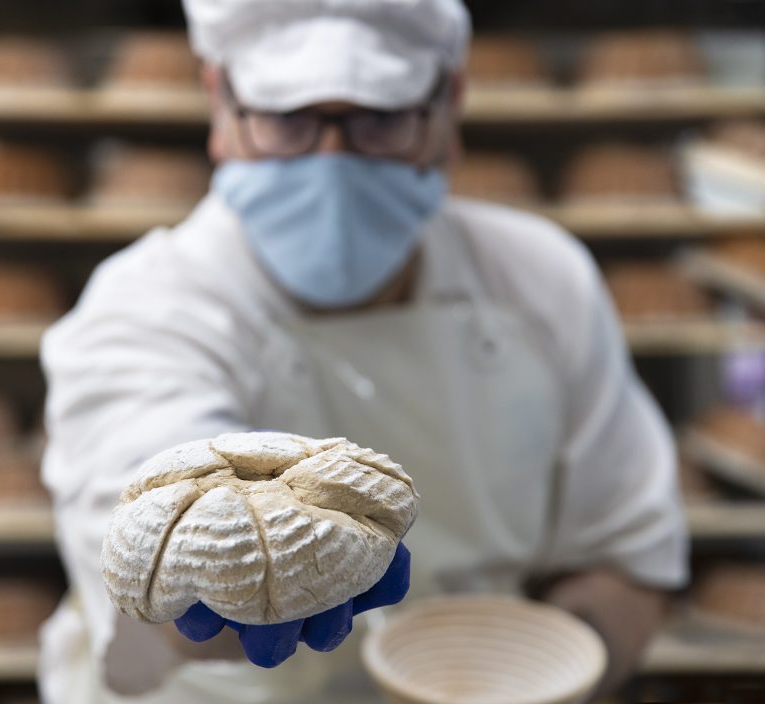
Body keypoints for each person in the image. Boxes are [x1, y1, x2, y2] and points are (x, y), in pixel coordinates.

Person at [37, 1, 689, 702]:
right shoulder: (145, 304)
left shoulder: (542, 280)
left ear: (449, 110)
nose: (333, 163)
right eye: (287, 119)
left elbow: (627, 557)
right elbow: (159, 536)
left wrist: (545, 673)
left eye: (381, 120)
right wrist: (210, 592)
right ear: (219, 106)